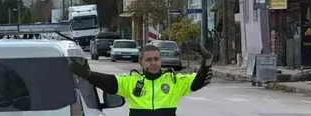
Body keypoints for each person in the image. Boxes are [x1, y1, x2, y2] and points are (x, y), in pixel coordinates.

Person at [70, 41, 212, 115]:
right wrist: (88, 75)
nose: (153, 63)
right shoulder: (132, 82)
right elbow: (110, 82)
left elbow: (199, 80)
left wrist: (206, 61)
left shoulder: (174, 81)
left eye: (156, 59)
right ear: (141, 62)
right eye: (149, 60)